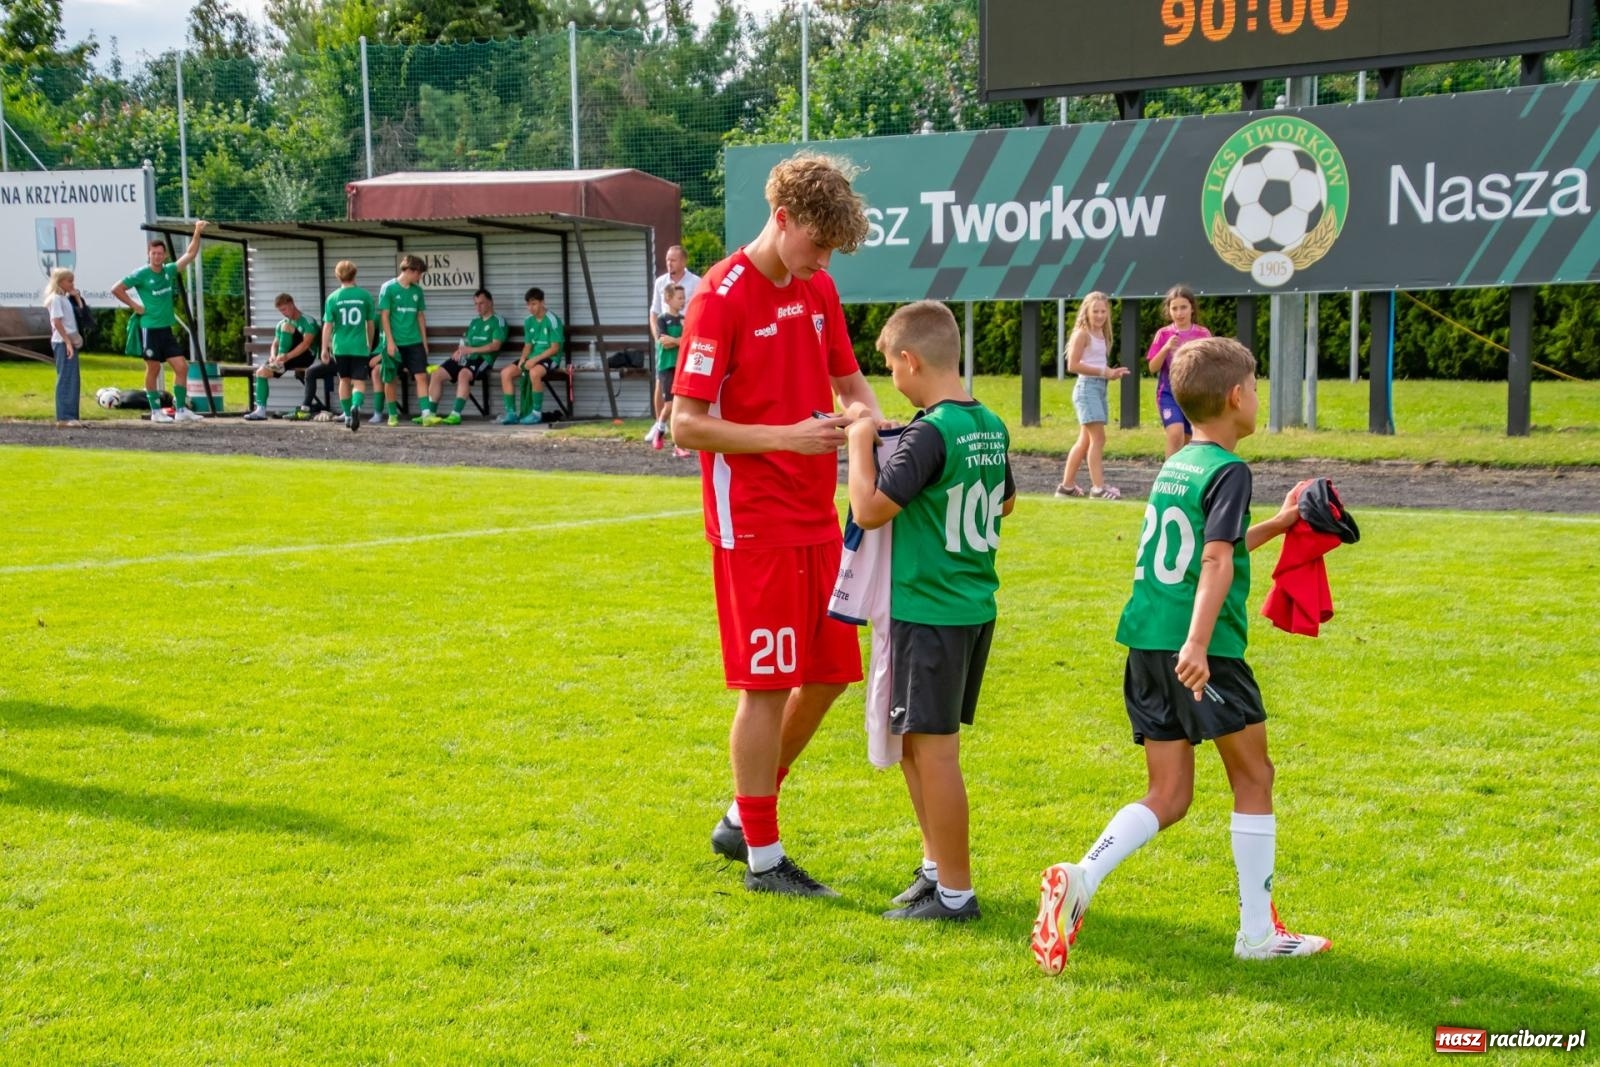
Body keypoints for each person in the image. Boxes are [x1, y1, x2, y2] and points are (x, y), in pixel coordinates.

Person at [1030, 336, 1330, 974]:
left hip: (1145, 639)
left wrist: (1279, 524)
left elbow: (1208, 545)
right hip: (1200, 649)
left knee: (1168, 793)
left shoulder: (1179, 464)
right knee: (1254, 777)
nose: (1258, 397)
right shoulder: (1230, 470)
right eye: (1256, 387)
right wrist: (1197, 642)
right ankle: (1257, 935)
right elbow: (1215, 560)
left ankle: (1082, 876)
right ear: (1236, 397)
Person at [671, 151, 883, 898]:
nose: (823, 262)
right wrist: (787, 439)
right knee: (765, 687)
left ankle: (742, 814)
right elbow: (685, 424)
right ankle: (764, 859)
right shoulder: (719, 296)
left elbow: (849, 380)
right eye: (817, 244)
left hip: (816, 515)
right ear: (782, 218)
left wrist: (878, 427)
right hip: (753, 523)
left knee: (830, 673)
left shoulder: (817, 286)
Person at [844, 300, 1015, 922]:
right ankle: (936, 868)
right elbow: (1005, 502)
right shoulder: (989, 422)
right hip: (968, 603)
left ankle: (956, 894)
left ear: (910, 360)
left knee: (935, 753)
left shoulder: (931, 430)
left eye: (891, 368)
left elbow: (869, 510)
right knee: (917, 745)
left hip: (929, 609)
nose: (892, 380)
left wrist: (859, 443)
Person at [111, 219, 208, 423]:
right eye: (153, 253)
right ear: (149, 254)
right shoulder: (141, 274)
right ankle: (156, 411)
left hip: (166, 330)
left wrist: (197, 231)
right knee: (153, 369)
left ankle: (180, 410)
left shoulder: (168, 271)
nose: (157, 256)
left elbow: (190, 254)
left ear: (164, 256)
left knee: (182, 367)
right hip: (150, 329)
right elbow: (117, 289)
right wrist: (135, 305)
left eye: (160, 253)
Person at [1055, 291, 1131, 499]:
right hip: (1087, 389)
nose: (1099, 315)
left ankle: (1066, 487)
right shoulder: (1082, 334)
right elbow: (1073, 365)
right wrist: (1104, 372)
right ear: (1086, 312)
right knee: (1098, 438)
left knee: (1085, 441)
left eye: (1103, 311)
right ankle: (1098, 488)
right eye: (1095, 311)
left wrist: (1110, 374)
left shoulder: (1101, 334)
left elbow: (1097, 364)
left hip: (1098, 388)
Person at [422, 288, 506, 426]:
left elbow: (495, 346)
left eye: (481, 303)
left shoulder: (498, 321)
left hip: (483, 359)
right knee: (437, 373)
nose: (478, 307)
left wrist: (471, 350)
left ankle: (455, 414)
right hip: (467, 357)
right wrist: (459, 351)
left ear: (490, 303)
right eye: (475, 304)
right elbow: (467, 343)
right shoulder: (475, 322)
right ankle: (430, 414)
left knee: (463, 374)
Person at [1146, 284, 1211, 458]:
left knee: (1189, 441)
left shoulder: (1203, 334)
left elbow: (1210, 365)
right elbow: (1152, 367)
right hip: (1168, 393)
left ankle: (1183, 471)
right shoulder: (1163, 334)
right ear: (1169, 310)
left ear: (1192, 308)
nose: (1179, 313)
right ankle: (1168, 473)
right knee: (1175, 434)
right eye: (1174, 308)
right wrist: (1166, 348)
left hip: (1193, 394)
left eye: (1183, 307)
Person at [244, 293, 329, 421]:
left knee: (287, 326)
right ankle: (260, 411)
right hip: (284, 359)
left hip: (304, 357)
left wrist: (286, 356)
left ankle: (279, 361)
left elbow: (306, 345)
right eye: (280, 311)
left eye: (284, 309)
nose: (283, 313)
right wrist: (273, 356)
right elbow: (275, 344)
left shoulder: (308, 321)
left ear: (292, 304)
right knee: (261, 372)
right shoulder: (281, 323)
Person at [648, 244, 701, 440]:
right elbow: (654, 312)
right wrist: (657, 338)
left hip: (686, 335)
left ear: (683, 261)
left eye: (673, 260)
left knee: (686, 382)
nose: (669, 263)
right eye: (667, 260)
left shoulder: (696, 282)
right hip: (665, 337)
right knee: (661, 381)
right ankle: (658, 425)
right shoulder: (660, 282)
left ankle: (683, 424)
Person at [372, 254, 430, 427]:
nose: (420, 277)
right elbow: (384, 316)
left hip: (414, 341)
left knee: (421, 375)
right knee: (390, 378)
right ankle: (392, 414)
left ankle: (426, 414)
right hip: (394, 343)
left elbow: (420, 316)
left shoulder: (417, 291)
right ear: (410, 270)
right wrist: (390, 342)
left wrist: (424, 342)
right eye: (419, 273)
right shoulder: (388, 288)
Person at [320, 261, 377, 431]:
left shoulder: (333, 298)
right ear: (355, 274)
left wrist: (324, 348)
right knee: (358, 381)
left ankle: (346, 414)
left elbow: (328, 326)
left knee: (344, 380)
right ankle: (355, 406)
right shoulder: (365, 296)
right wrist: (369, 343)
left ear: (337, 276)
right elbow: (370, 324)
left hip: (340, 346)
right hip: (359, 346)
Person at [498, 287, 564, 425]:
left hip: (551, 358)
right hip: (532, 357)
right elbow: (528, 346)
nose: (530, 308)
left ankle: (536, 414)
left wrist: (534, 360)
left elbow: (555, 348)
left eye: (534, 304)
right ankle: (511, 413)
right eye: (528, 304)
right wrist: (523, 359)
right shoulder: (528, 321)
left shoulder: (553, 320)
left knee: (534, 372)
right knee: (505, 373)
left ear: (542, 302)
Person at [644, 283, 687, 454]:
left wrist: (675, 340)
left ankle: (679, 445)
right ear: (668, 299)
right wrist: (680, 341)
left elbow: (689, 340)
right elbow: (664, 342)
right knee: (669, 405)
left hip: (681, 366)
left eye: (684, 298)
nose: (683, 301)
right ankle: (659, 430)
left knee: (680, 406)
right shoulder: (662, 319)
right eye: (680, 298)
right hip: (667, 366)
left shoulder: (685, 320)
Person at [44, 268, 83, 425]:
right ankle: (65, 417)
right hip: (62, 342)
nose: (72, 284)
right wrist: (67, 342)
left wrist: (77, 297)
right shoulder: (56, 299)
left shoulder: (65, 298)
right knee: (66, 378)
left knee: (73, 379)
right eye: (69, 281)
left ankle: (71, 415)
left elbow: (81, 313)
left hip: (68, 341)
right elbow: (57, 321)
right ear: (59, 282)